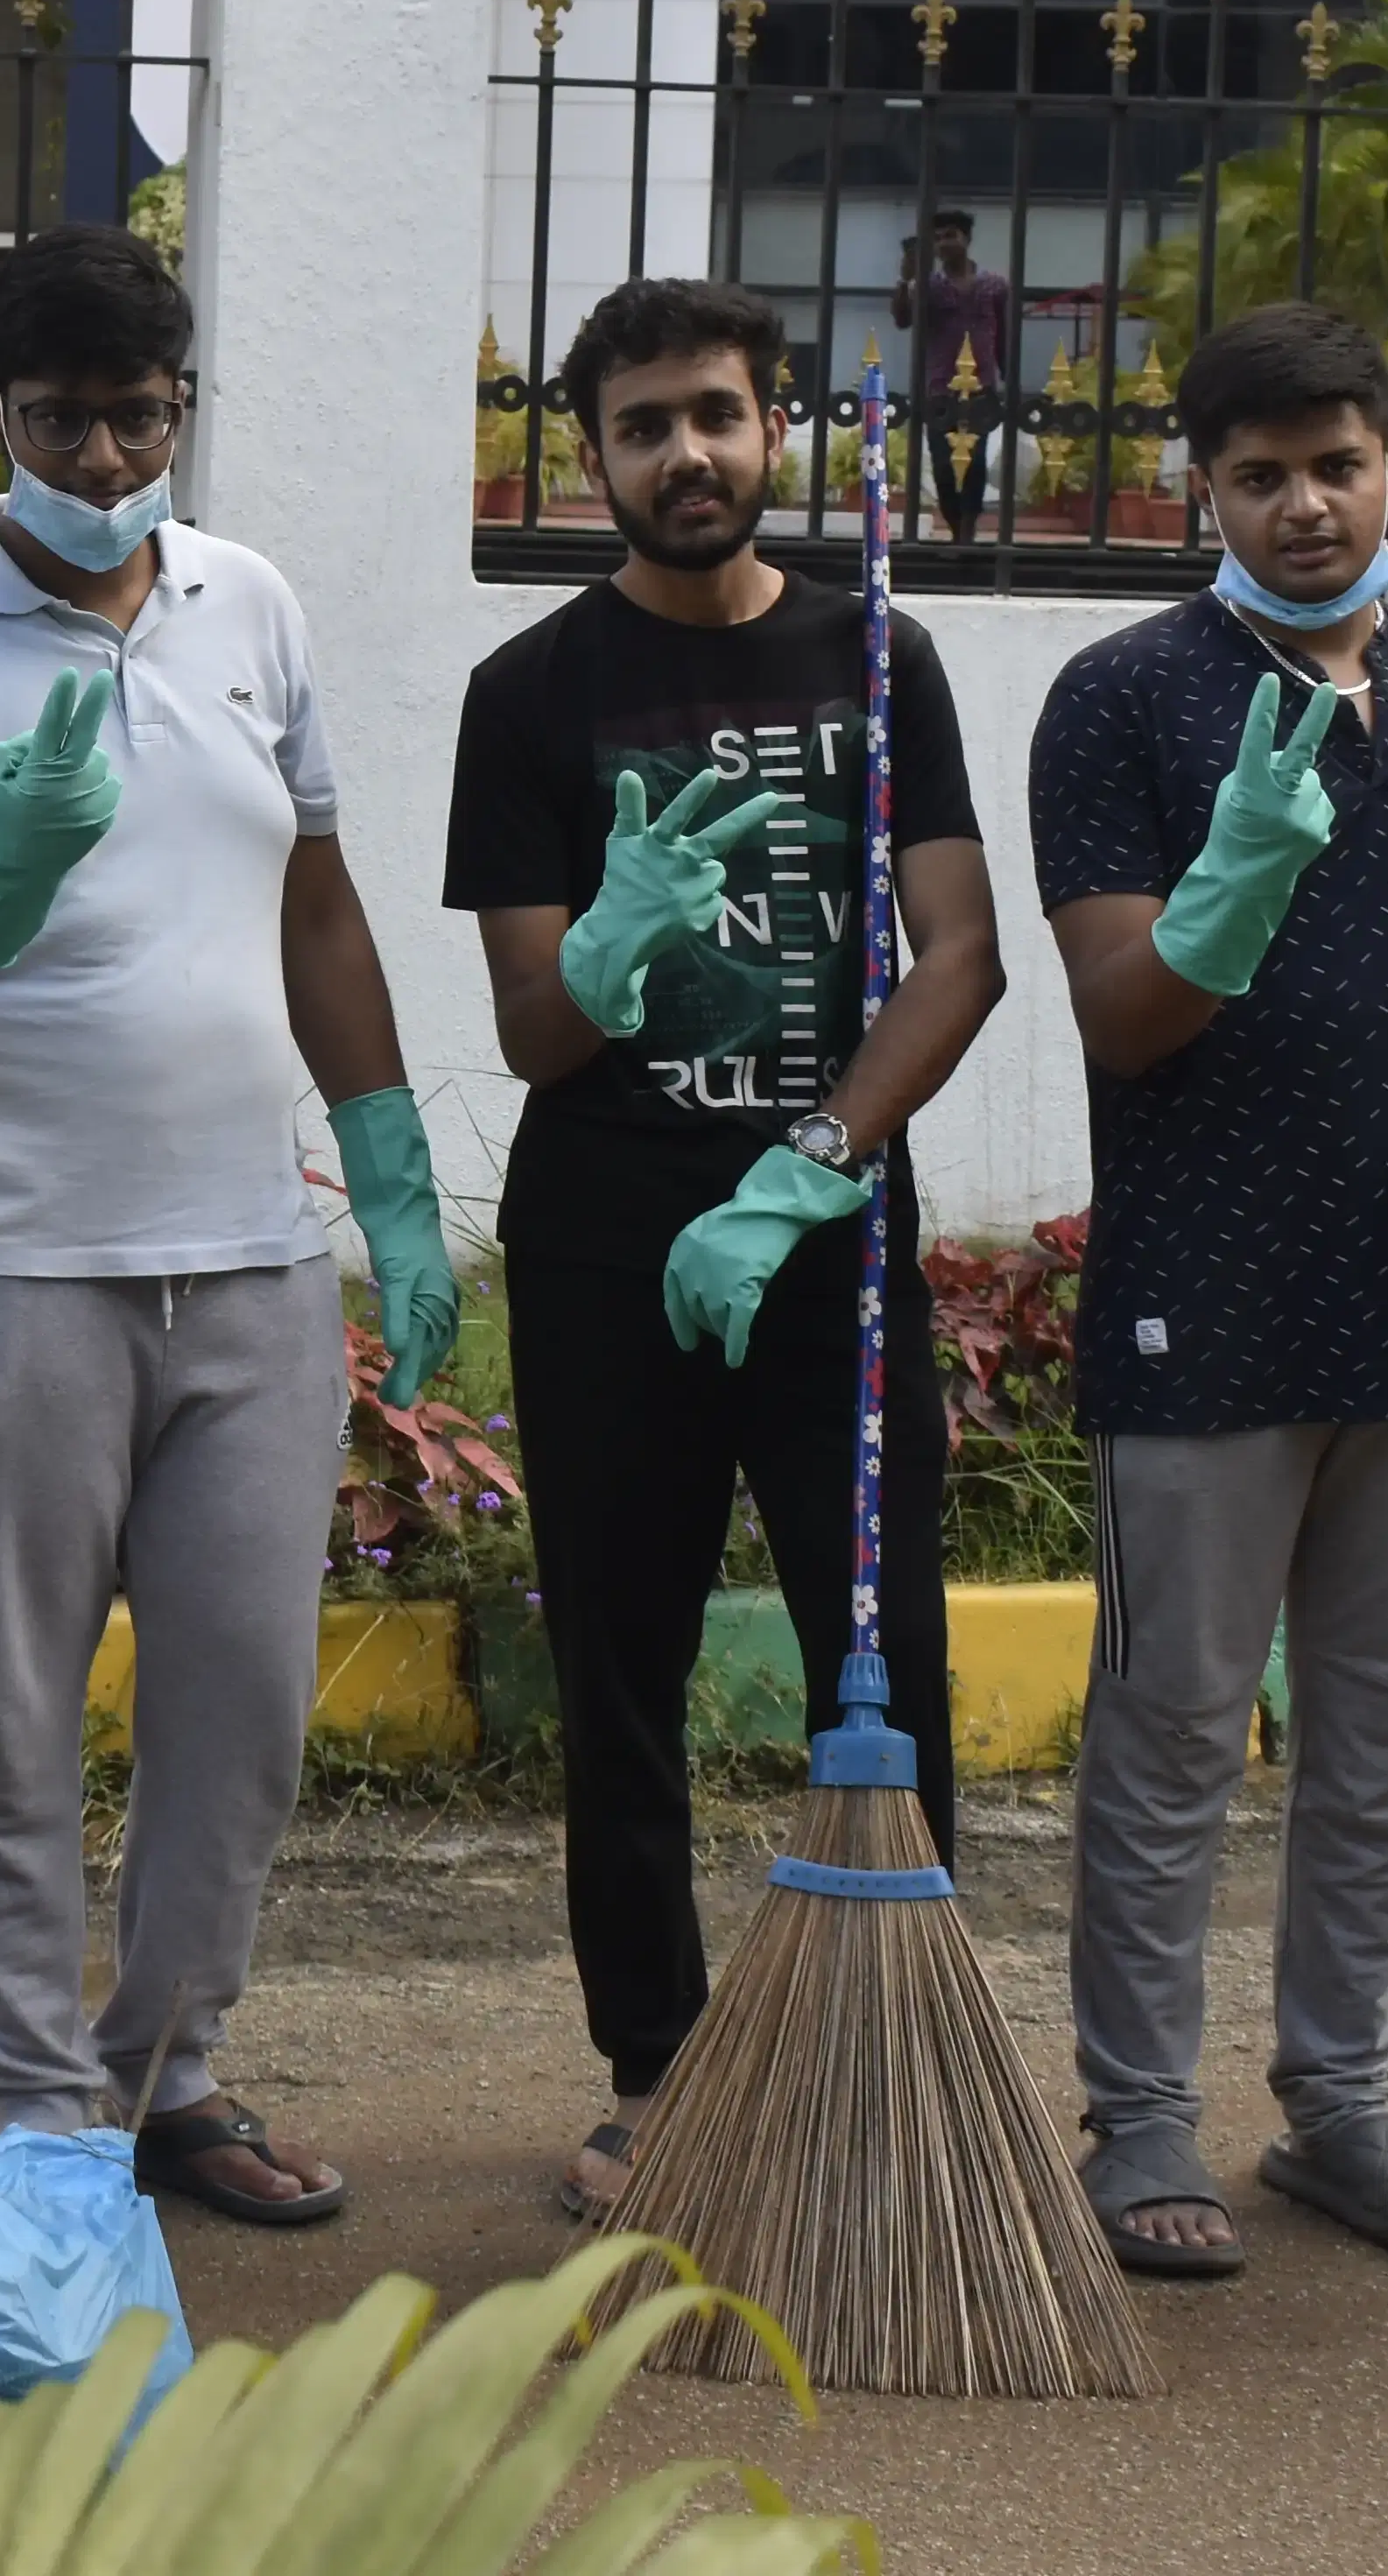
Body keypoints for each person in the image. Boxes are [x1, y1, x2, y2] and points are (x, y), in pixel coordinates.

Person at [0, 222, 459, 2229]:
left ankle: (169, 2067)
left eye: (136, 415)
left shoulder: (250, 600)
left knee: (243, 1699)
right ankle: (28, 2107)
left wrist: (396, 1173)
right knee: (5, 1705)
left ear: (183, 410)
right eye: (59, 417)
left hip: (243, 1248)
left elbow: (317, 899)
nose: (98, 457)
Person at [445, 279, 1003, 2227]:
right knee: (623, 1653)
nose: (686, 452)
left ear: (778, 430)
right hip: (606, 1242)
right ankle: (657, 2068)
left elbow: (960, 955)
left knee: (896, 1649)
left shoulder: (880, 653)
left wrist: (814, 1162)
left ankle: (896, 2047)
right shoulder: (533, 692)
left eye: (718, 412)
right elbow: (528, 1019)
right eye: (643, 424)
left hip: (828, 1241)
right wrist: (607, 946)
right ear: (588, 455)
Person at [1029, 299, 1388, 2277]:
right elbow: (1119, 1016)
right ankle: (1143, 2115)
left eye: (1336, 462)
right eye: (1257, 471)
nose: (1303, 501)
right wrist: (1228, 892)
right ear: (1203, 488)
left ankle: (1342, 2098)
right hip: (1208, 1294)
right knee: (1169, 1729)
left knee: (1384, 1746)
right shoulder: (1123, 698)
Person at [886, 208, 1015, 536]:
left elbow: (1004, 335)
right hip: (940, 388)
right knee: (943, 465)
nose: (944, 244)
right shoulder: (926, 287)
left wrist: (1008, 376)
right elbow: (902, 320)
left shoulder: (994, 286)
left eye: (951, 236)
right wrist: (905, 279)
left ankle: (967, 530)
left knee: (975, 463)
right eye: (939, 238)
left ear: (967, 240)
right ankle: (956, 525)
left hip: (981, 387)